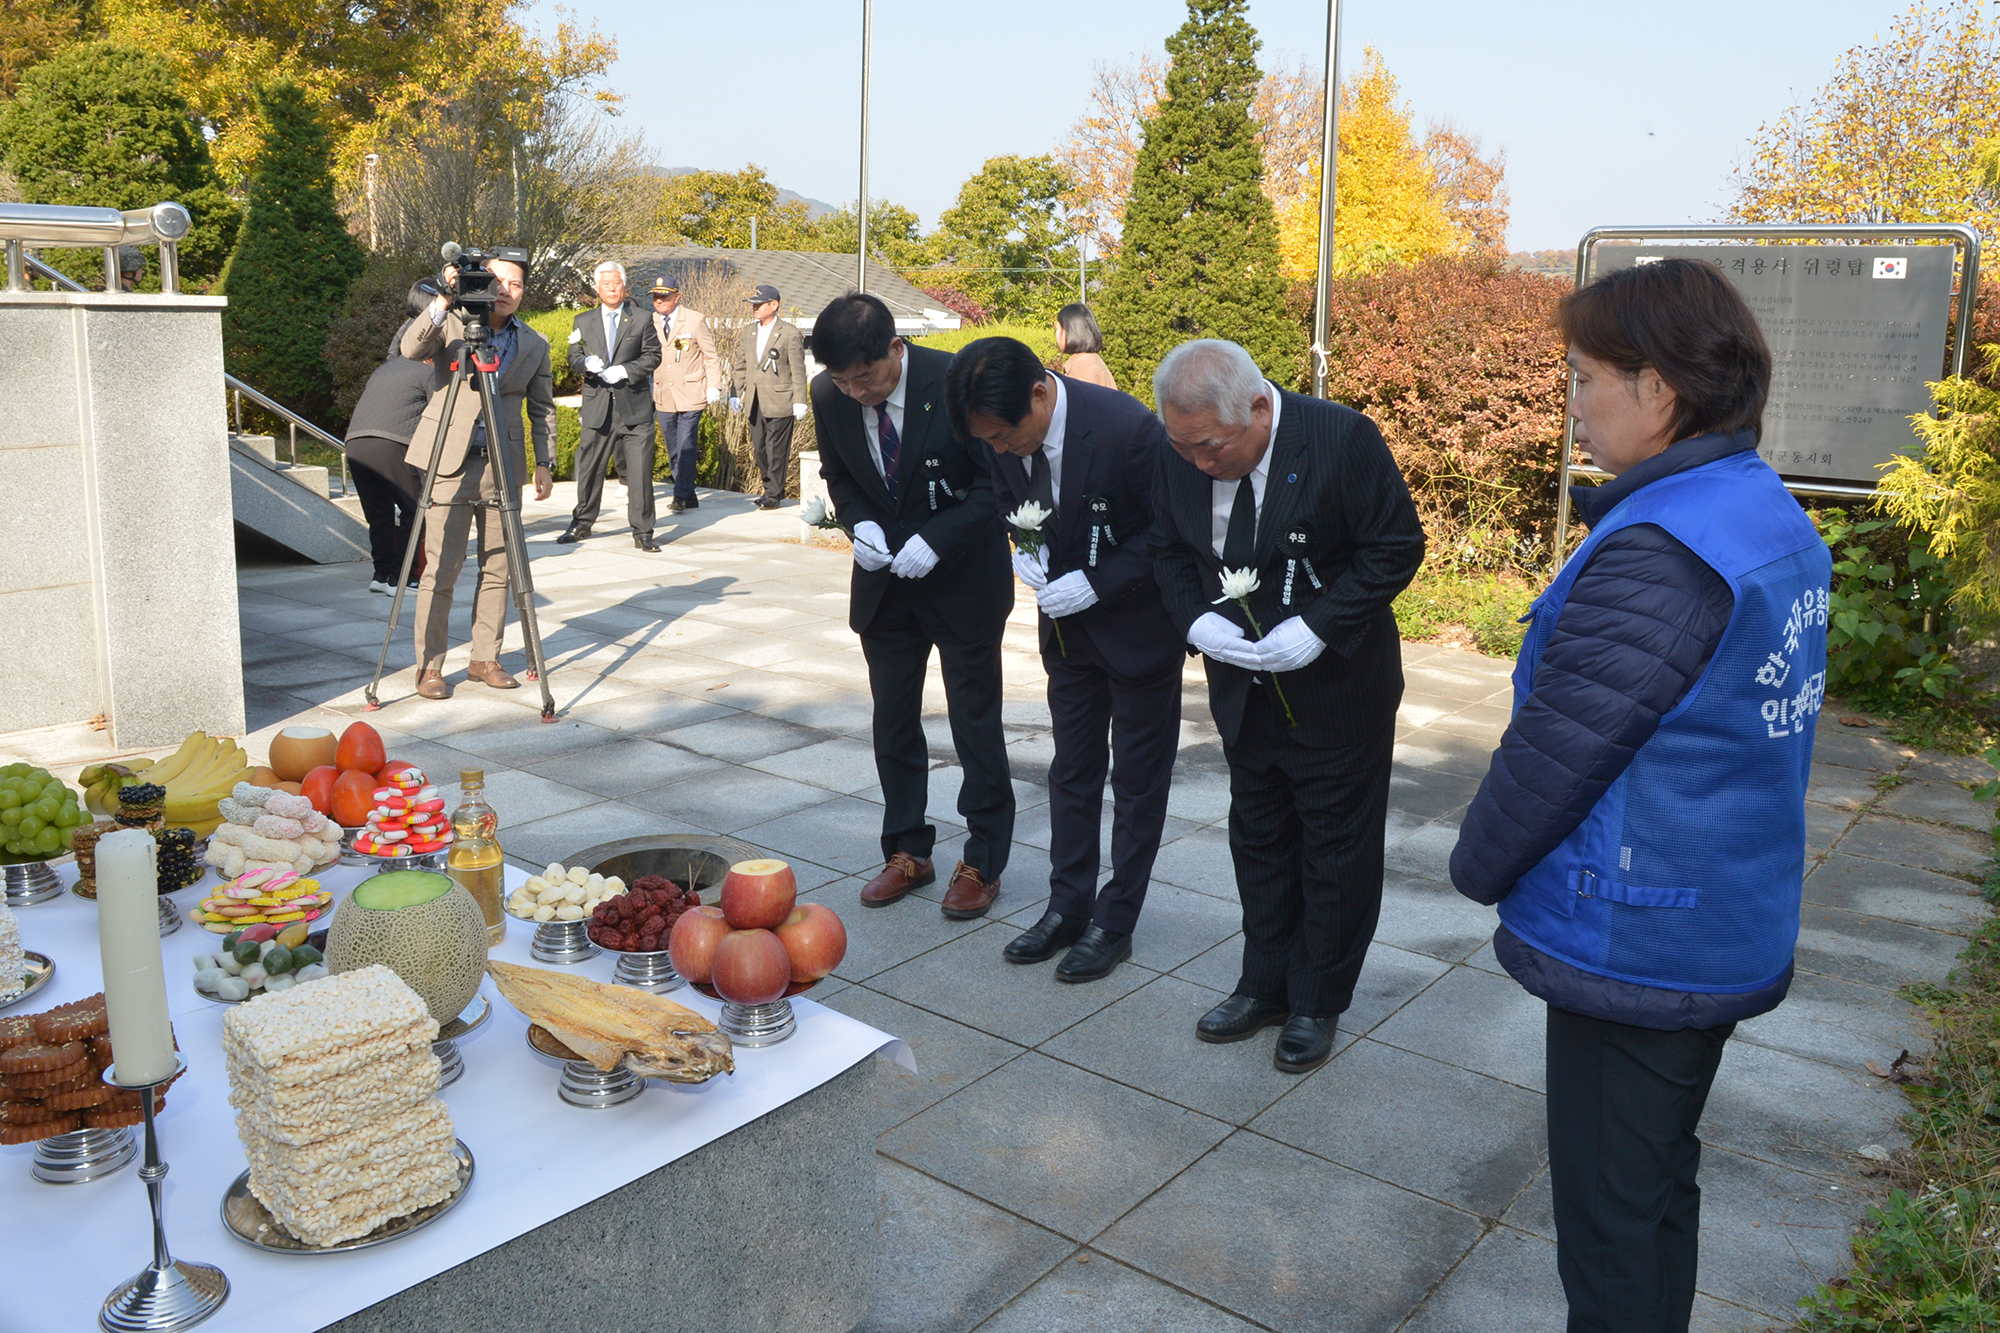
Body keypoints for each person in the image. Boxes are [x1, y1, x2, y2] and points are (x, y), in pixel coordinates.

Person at [1448, 258, 1828, 1333]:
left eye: (1583, 376)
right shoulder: (1756, 508)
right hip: (1719, 907)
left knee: (1611, 1218)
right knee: (1653, 1183)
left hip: (1640, 930)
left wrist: (1473, 864)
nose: (1572, 401)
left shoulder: (1662, 547)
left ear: (1657, 388)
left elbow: (1561, 750)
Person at [1151, 338, 1424, 1074]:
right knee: (1260, 836)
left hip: (1337, 686)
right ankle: (1263, 982)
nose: (1199, 465)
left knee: (1335, 846)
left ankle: (1318, 998)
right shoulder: (1177, 447)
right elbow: (1168, 548)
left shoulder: (1341, 439)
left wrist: (1321, 626)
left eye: (1211, 448)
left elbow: (1396, 547)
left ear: (1260, 409)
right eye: (1185, 450)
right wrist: (1194, 620)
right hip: (1242, 684)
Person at [947, 336, 1181, 983]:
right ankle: (1067, 905)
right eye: (986, 440)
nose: (998, 449)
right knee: (1072, 770)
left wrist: (1099, 583)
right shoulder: (999, 436)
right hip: (1067, 632)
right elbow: (1007, 498)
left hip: (1138, 631)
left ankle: (1116, 921)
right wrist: (1021, 545)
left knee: (1136, 783)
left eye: (1005, 435)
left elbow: (1168, 532)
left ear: (1040, 394)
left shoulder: (1127, 428)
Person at [810, 293, 1015, 919]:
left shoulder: (957, 382)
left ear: (895, 349)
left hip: (963, 584)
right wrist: (859, 524)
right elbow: (839, 475)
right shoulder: (829, 395)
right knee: (893, 722)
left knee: (973, 724)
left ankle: (982, 858)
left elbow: (998, 482)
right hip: (885, 587)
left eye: (865, 377)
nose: (856, 392)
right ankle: (907, 850)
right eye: (843, 380)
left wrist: (940, 538)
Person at [399, 249, 556, 701]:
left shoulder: (535, 344)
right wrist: (445, 301)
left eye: (517, 284)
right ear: (482, 282)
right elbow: (411, 348)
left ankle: (485, 658)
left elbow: (543, 409)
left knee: (499, 568)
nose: (507, 290)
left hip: (501, 465)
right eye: (499, 281)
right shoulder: (450, 324)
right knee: (441, 569)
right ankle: (429, 666)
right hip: (448, 461)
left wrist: (545, 463)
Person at [560, 260, 663, 550]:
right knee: (590, 467)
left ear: (624, 285)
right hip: (598, 406)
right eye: (605, 284)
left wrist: (627, 371)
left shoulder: (642, 318)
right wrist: (585, 364)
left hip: (635, 407)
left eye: (616, 283)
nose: (611, 288)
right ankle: (582, 523)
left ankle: (643, 532)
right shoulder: (583, 320)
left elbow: (653, 356)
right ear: (597, 288)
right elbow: (574, 355)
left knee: (640, 471)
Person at [344, 303, 434, 594]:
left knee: (379, 515)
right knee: (414, 509)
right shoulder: (427, 370)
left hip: (355, 444)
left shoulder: (384, 369)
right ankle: (403, 578)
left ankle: (380, 576)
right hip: (391, 443)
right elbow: (440, 412)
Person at [729, 283, 808, 509]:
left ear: (774, 305)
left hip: (781, 400)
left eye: (759, 304)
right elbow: (741, 365)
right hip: (754, 401)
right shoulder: (748, 331)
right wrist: (737, 392)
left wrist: (800, 399)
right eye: (753, 304)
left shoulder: (789, 333)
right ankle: (768, 488)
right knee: (760, 448)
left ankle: (773, 495)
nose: (754, 308)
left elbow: (797, 368)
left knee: (776, 449)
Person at [649, 276, 723, 513]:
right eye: (656, 296)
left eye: (665, 296)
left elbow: (710, 356)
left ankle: (680, 495)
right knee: (673, 447)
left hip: (691, 393)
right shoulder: (649, 321)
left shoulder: (694, 320)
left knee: (686, 444)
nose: (660, 301)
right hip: (663, 394)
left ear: (677, 297)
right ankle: (689, 493)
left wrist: (714, 385)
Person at [1054, 303, 1116, 390]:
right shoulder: (1089, 360)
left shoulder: (1083, 366)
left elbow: (1082, 402)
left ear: (1070, 331)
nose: (1055, 334)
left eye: (1057, 329)